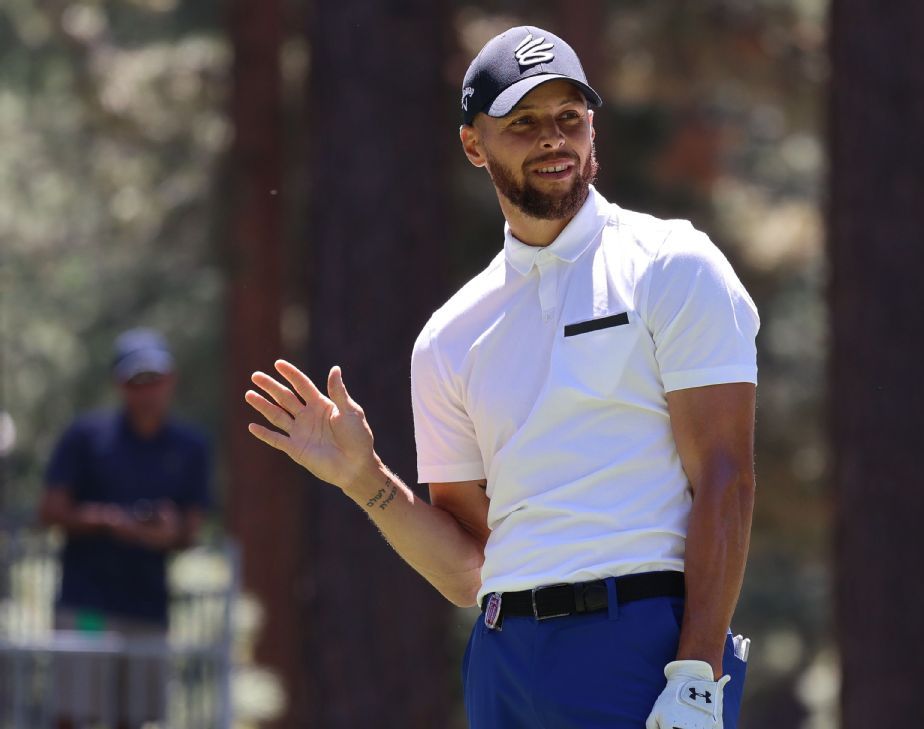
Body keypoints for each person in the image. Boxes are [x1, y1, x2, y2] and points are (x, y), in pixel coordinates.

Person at [245, 25, 757, 729]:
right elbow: (467, 571)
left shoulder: (672, 264)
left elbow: (727, 476)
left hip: (640, 646)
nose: (553, 138)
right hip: (503, 660)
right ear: (473, 144)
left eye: (569, 117)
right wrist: (365, 480)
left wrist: (699, 673)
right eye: (523, 122)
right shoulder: (449, 337)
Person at [39, 328, 211, 729]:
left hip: (148, 608)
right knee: (76, 714)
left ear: (171, 380)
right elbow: (50, 509)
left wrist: (169, 532)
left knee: (137, 720)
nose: (148, 390)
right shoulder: (86, 436)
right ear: (120, 384)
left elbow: (192, 529)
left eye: (155, 379)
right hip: (87, 606)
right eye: (137, 380)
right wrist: (107, 521)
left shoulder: (191, 447)